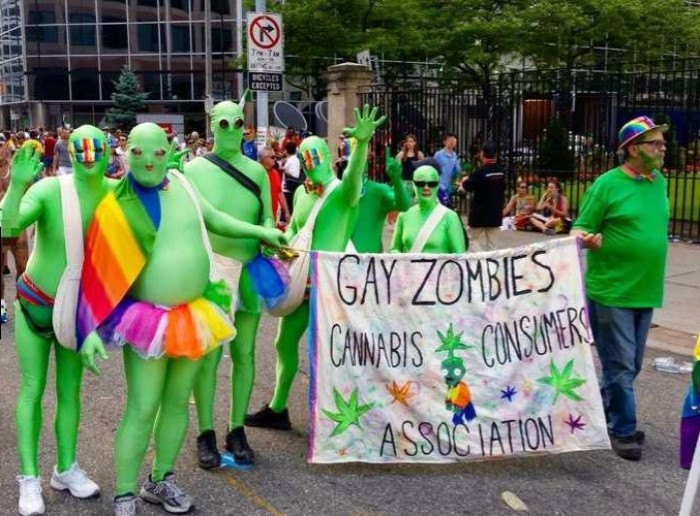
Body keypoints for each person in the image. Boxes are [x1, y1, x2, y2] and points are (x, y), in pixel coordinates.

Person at [78, 122, 286, 515]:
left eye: (158, 152)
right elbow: (97, 269)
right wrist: (87, 326)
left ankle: (161, 479)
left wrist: (262, 230)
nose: (150, 161)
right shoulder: (117, 202)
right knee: (142, 406)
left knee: (177, 404)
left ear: (168, 151)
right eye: (138, 152)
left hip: (192, 315)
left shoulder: (185, 185)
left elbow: (217, 220)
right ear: (125, 152)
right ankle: (124, 493)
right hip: (146, 322)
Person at [246, 105, 385, 430]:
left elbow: (353, 181)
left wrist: (361, 146)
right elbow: (294, 230)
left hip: (332, 285)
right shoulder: (304, 196)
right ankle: (278, 408)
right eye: (305, 158)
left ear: (327, 155)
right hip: (301, 283)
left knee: (334, 353)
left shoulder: (341, 194)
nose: (310, 163)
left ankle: (355, 416)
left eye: (316, 156)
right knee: (283, 343)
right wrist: (277, 241)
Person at [1, 126, 115, 516]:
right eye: (80, 148)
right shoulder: (49, 191)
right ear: (68, 151)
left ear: (108, 151)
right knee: (32, 388)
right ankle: (29, 478)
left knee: (71, 392)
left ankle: (65, 468)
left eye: (96, 147)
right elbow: (7, 228)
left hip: (78, 312)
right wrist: (15, 186)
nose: (88, 155)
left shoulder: (117, 194)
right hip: (36, 301)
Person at [187, 100, 283, 470]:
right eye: (222, 122)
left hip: (251, 270)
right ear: (212, 125)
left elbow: (268, 215)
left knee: (244, 353)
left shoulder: (258, 172)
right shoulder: (193, 170)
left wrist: (274, 232)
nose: (230, 128)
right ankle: (206, 431)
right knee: (209, 356)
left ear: (245, 126)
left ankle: (237, 427)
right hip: (212, 273)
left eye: (237, 122)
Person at [572, 115, 669, 462]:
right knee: (621, 366)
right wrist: (587, 238)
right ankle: (623, 431)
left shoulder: (659, 183)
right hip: (611, 291)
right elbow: (577, 229)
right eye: (654, 143)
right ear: (632, 149)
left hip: (645, 290)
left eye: (662, 142)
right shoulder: (606, 185)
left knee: (632, 364)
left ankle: (602, 414)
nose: (662, 148)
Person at [391, 165, 467, 254]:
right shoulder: (404, 215)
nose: (426, 188)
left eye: (432, 184)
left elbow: (459, 256)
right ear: (413, 185)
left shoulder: (450, 216)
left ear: (438, 186)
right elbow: (394, 249)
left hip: (440, 268)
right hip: (409, 267)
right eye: (420, 184)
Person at [350, 149, 411, 252]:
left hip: (370, 262)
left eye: (359, 158)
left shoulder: (377, 190)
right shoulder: (335, 190)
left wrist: (397, 179)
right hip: (339, 262)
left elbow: (403, 205)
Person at [460, 141, 506, 251]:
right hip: (495, 214)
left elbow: (467, 186)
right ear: (496, 155)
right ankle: (492, 265)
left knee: (470, 239)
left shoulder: (480, 173)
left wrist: (465, 180)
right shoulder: (501, 172)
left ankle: (481, 260)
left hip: (479, 215)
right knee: (493, 246)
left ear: (482, 154)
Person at [260, 146, 291, 228]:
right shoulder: (257, 173)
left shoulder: (275, 173)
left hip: (272, 218)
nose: (275, 159)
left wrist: (287, 213)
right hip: (259, 220)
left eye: (276, 157)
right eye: (272, 157)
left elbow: (280, 193)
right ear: (263, 159)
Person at [433, 133, 462, 208]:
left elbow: (456, 172)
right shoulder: (438, 155)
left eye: (453, 140)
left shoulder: (454, 155)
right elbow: (433, 169)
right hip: (440, 186)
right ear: (444, 142)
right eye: (449, 140)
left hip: (449, 188)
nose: (452, 142)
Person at [281, 141, 303, 216]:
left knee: (288, 212)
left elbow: (295, 175)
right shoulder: (291, 160)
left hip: (289, 190)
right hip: (287, 189)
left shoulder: (293, 160)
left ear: (286, 150)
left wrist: (284, 170)